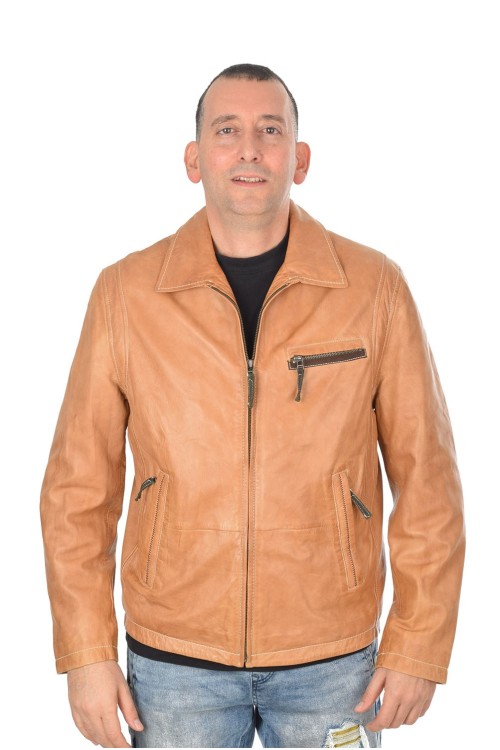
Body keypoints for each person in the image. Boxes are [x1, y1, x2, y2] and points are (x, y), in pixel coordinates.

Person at [40, 63, 465, 748]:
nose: (248, 149)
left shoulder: (373, 288)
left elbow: (429, 480)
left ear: (300, 159)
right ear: (194, 159)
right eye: (226, 130)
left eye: (270, 131)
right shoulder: (126, 294)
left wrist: (418, 642)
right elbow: (76, 489)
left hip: (333, 660)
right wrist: (86, 652)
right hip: (174, 662)